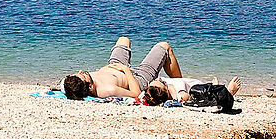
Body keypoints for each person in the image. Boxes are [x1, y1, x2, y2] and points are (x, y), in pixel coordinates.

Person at [62, 37, 239, 105]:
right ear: (88, 85)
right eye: (82, 75)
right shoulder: (106, 90)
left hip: (115, 66)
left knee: (123, 40)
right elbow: (136, 93)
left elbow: (65, 85)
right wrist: (126, 70)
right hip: (136, 77)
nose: (81, 71)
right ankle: (180, 84)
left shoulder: (75, 84)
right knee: (164, 47)